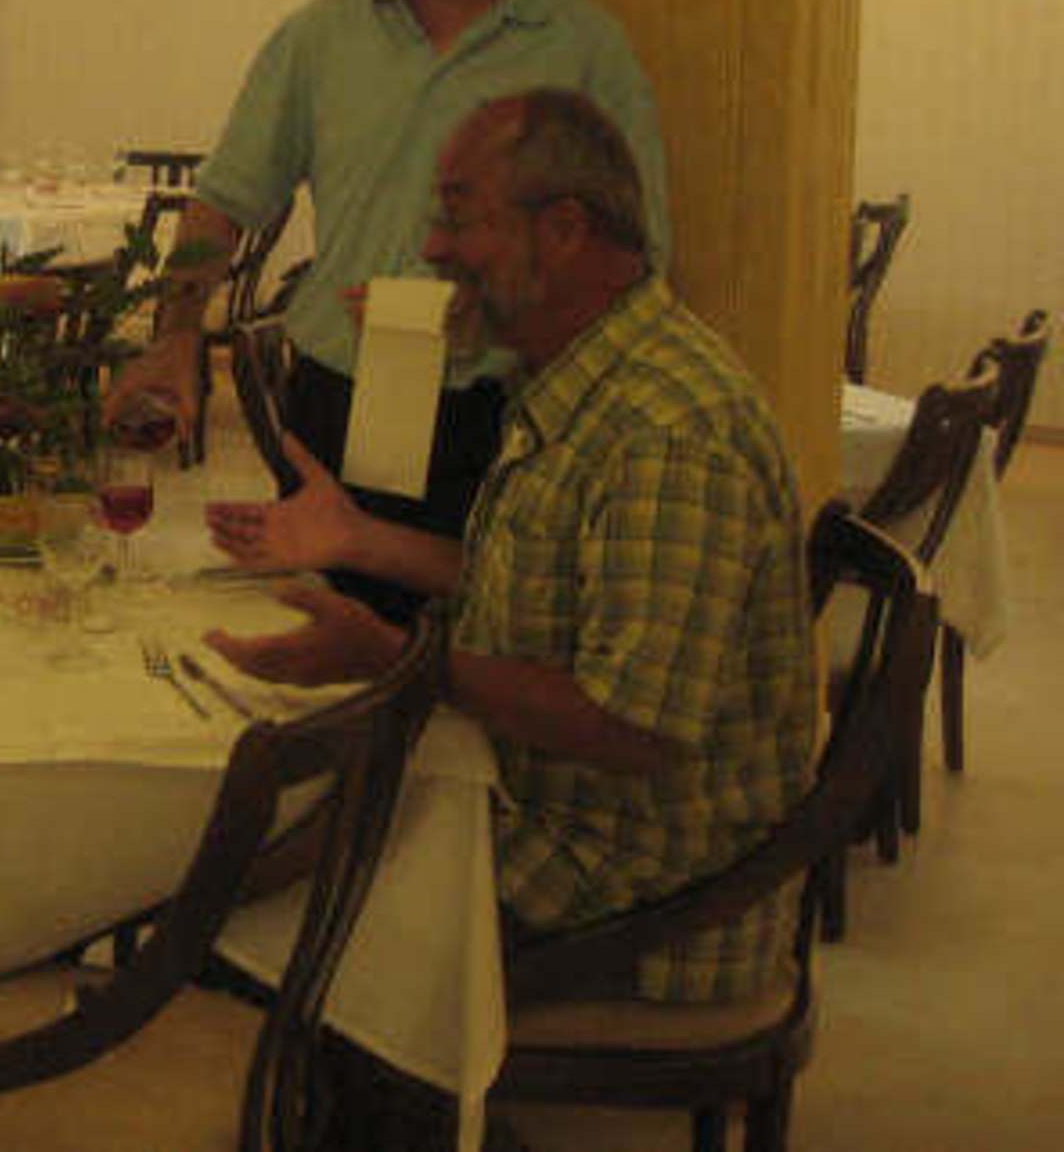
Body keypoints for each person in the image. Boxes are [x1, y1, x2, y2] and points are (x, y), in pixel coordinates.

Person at [206, 91, 814, 1003]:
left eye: (459, 218)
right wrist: (361, 541)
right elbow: (546, 589)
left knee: (227, 907)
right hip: (544, 817)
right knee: (244, 842)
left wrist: (399, 658)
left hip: (631, 902)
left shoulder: (669, 432)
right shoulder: (586, 377)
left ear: (563, 229)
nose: (432, 248)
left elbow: (633, 725)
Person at [104, 0, 670, 624]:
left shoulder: (582, 50)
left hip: (505, 417)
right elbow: (225, 200)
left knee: (483, 655)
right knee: (328, 649)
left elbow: (636, 261)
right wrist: (177, 333)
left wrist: (489, 314)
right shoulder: (320, 38)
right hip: (336, 400)